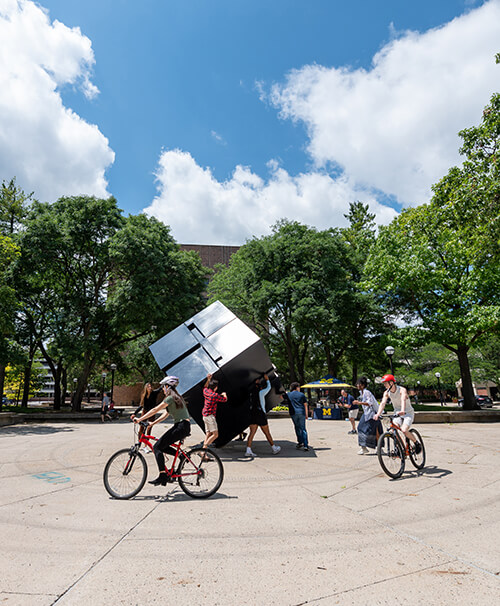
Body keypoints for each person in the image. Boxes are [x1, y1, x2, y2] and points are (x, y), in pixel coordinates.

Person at [132, 376, 191, 486]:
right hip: (183, 426)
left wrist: (139, 419)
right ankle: (181, 456)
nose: (162, 390)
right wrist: (152, 423)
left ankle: (162, 475)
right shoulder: (176, 397)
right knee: (162, 446)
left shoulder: (170, 398)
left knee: (157, 447)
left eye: (163, 387)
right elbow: (165, 414)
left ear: (167, 386)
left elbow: (155, 409)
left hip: (181, 426)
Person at [374, 374, 421, 453]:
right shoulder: (386, 393)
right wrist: (378, 414)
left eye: (386, 383)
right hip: (397, 413)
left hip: (407, 412)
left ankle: (416, 443)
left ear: (391, 383)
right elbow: (382, 403)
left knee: (404, 430)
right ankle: (400, 448)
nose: (384, 385)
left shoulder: (402, 390)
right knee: (392, 430)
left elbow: (403, 399)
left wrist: (402, 410)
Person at [246, 374, 281, 457]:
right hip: (260, 414)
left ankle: (248, 450)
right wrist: (267, 379)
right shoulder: (261, 393)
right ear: (260, 387)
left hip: (252, 413)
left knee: (252, 433)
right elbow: (268, 388)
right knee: (267, 432)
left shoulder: (251, 393)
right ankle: (274, 448)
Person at [352, 377, 382, 455]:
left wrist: (359, 403)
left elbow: (370, 403)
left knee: (362, 428)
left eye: (358, 384)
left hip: (372, 414)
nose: (357, 385)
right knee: (376, 431)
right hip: (369, 413)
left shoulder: (366, 392)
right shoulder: (362, 393)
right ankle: (378, 448)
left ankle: (364, 447)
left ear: (362, 385)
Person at [202, 374, 227, 449]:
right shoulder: (214, 395)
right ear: (216, 388)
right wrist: (224, 394)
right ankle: (203, 449)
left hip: (205, 415)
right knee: (215, 435)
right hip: (210, 416)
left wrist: (208, 379)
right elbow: (224, 399)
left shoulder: (206, 391)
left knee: (208, 434)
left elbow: (205, 387)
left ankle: (203, 453)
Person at [287, 382, 309, 451]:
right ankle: (305, 445)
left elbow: (281, 397)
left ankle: (300, 442)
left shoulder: (289, 394)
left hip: (293, 413)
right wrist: (306, 414)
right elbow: (305, 405)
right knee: (303, 429)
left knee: (297, 427)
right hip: (301, 413)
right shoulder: (302, 395)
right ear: (296, 387)